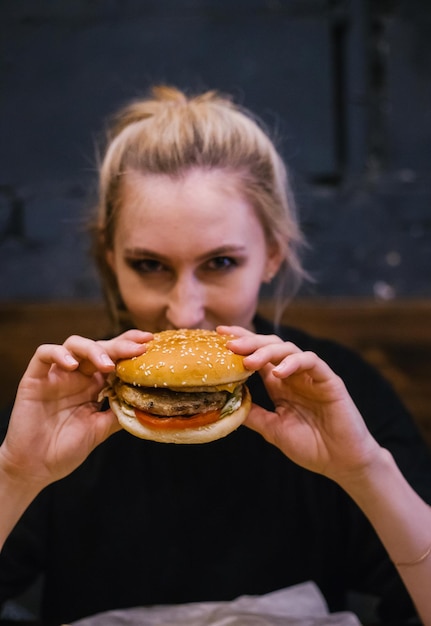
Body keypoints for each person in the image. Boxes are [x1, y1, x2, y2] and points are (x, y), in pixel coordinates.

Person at [0, 85, 430, 624]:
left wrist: (364, 470)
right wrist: (15, 475)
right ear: (110, 257)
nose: (184, 312)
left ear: (272, 253)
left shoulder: (341, 393)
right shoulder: (65, 401)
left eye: (221, 263)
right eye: (150, 266)